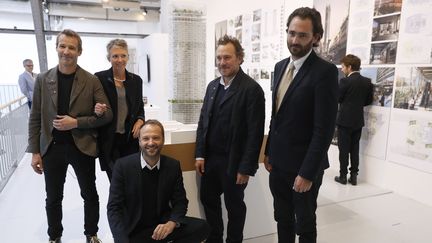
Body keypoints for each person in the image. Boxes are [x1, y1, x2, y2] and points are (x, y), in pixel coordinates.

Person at [27, 29, 113, 243]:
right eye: (62, 46)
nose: (66, 51)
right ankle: (54, 236)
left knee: (89, 194)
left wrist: (76, 122)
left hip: (81, 146)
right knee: (53, 198)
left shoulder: (91, 80)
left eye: (71, 47)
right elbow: (35, 116)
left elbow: (107, 114)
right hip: (51, 148)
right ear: (56, 47)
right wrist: (35, 151)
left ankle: (91, 234)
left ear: (79, 51)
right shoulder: (43, 79)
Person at [263, 7, 338, 243]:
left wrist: (307, 173)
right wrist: (268, 152)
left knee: (304, 223)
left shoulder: (324, 72)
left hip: (304, 167)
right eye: (291, 33)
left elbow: (323, 130)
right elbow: (277, 116)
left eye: (302, 35)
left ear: (316, 37)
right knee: (282, 218)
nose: (294, 40)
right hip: (278, 163)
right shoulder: (279, 66)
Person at [195, 35, 265, 243]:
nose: (222, 63)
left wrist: (246, 168)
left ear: (239, 58)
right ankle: (215, 238)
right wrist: (199, 154)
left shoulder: (251, 89)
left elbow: (255, 133)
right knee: (208, 199)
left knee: (234, 206)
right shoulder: (212, 86)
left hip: (234, 163)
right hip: (211, 160)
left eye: (227, 57)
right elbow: (203, 122)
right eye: (219, 58)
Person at [107, 119, 210, 243]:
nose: (151, 143)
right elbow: (114, 208)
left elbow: (180, 202)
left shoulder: (173, 166)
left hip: (162, 227)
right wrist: (121, 240)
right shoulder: (123, 166)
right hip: (135, 230)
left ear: (163, 140)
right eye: (146, 138)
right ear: (139, 141)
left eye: (156, 138)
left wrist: (172, 223)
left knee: (202, 227)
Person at [95, 39, 145, 181]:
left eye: (123, 55)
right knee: (116, 181)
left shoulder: (136, 80)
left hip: (130, 140)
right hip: (109, 140)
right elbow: (92, 107)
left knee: (132, 179)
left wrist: (140, 121)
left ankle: (130, 204)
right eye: (115, 56)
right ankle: (117, 204)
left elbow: (139, 107)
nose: (119, 60)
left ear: (128, 57)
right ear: (108, 58)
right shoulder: (99, 78)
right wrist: (96, 110)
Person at [334, 54, 373, 186]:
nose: (342, 70)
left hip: (344, 120)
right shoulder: (367, 82)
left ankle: (343, 176)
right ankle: (354, 176)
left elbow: (338, 98)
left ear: (349, 67)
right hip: (358, 120)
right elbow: (368, 101)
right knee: (355, 148)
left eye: (343, 67)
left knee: (343, 150)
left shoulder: (345, 81)